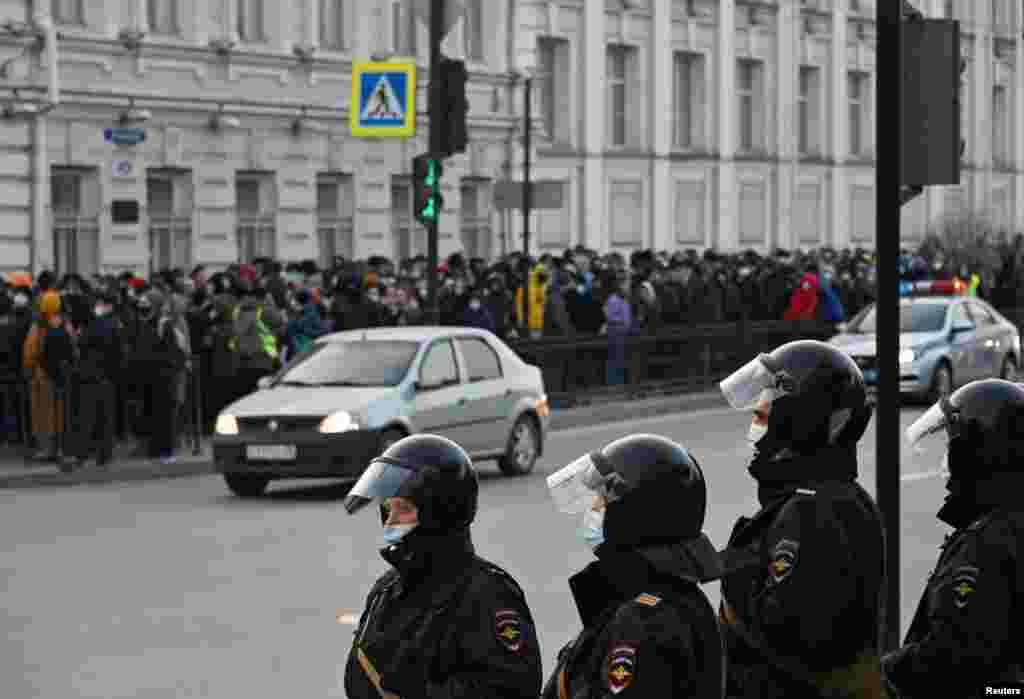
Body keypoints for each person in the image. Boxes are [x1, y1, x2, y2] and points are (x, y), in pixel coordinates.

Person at [717, 339, 887, 698]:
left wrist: (735, 565)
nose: (757, 425)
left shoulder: (814, 510)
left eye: (765, 413)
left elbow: (791, 631)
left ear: (800, 419)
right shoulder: (831, 496)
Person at [342, 434, 542, 699]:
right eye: (387, 510)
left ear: (439, 512)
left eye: (403, 510)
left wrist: (421, 692)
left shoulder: (488, 595)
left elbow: (509, 689)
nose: (390, 521)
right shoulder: (386, 590)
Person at [542, 433, 724, 698]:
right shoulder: (674, 596)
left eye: (603, 500)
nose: (594, 510)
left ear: (637, 511)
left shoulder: (644, 621)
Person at [883, 379, 1024, 696]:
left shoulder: (987, 542)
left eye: (953, 445)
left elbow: (950, 654)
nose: (946, 460)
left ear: (979, 451)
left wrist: (886, 671)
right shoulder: (1009, 517)